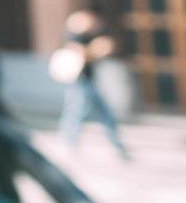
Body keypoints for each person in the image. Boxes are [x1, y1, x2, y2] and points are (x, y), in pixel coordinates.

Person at [55, 9, 131, 160]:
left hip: (88, 80)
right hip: (78, 80)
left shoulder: (89, 34)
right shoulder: (75, 35)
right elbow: (77, 53)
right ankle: (69, 143)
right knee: (77, 112)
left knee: (101, 113)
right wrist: (96, 49)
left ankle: (117, 145)